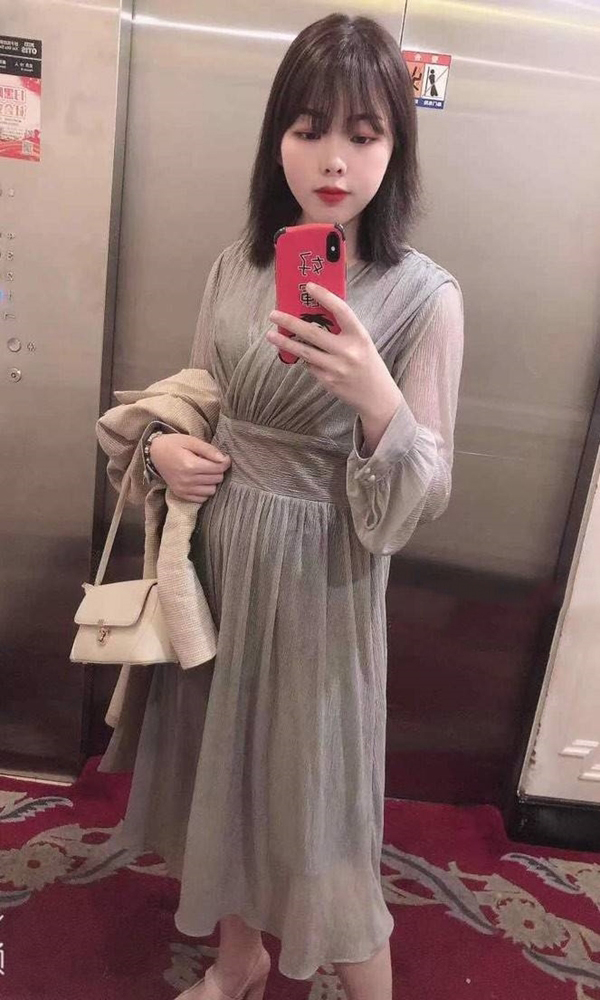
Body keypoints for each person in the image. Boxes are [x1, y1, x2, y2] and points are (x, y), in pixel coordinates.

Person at [98, 12, 464, 1000]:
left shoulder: (425, 296)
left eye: (364, 133)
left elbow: (427, 488)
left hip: (323, 580)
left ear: (395, 146)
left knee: (319, 815)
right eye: (309, 129)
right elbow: (199, 396)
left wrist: (376, 398)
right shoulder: (237, 266)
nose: (334, 159)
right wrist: (164, 448)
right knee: (224, 782)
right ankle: (240, 962)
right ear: (278, 140)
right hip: (220, 561)